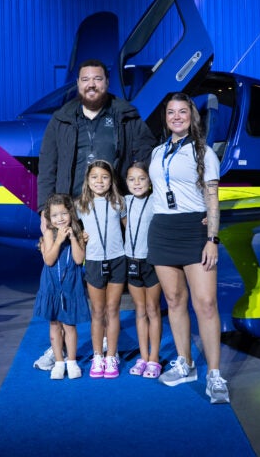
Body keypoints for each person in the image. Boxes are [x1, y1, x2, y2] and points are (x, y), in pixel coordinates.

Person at [33, 58, 156, 372]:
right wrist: (45, 213)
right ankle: (58, 346)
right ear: (78, 84)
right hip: (69, 212)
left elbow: (146, 149)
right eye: (85, 79)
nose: (91, 84)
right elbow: (46, 167)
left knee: (104, 276)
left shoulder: (125, 116)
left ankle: (103, 341)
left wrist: (134, 184)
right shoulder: (60, 120)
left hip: (109, 210)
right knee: (66, 280)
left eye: (97, 79)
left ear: (107, 81)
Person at [147, 92, 229, 404]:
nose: (177, 117)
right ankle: (186, 364)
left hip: (195, 231)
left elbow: (212, 199)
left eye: (183, 111)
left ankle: (215, 375)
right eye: (171, 112)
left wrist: (212, 238)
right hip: (163, 230)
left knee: (206, 304)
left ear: (191, 116)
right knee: (175, 300)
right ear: (165, 117)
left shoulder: (203, 153)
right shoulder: (157, 154)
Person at [77, 159, 127, 378]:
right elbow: (72, 232)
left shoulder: (119, 202)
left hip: (118, 259)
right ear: (87, 181)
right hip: (95, 262)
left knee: (113, 309)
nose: (99, 181)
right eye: (94, 177)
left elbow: (131, 228)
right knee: (98, 311)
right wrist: (80, 237)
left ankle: (111, 355)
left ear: (111, 180)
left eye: (104, 177)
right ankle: (98, 356)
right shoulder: (79, 205)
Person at [32, 193, 90, 380]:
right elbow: (49, 260)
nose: (60, 219)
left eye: (63, 214)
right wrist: (58, 241)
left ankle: (71, 362)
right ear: (49, 217)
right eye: (55, 215)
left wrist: (74, 238)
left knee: (70, 325)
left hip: (71, 284)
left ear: (71, 213)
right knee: (55, 324)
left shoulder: (78, 231)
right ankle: (58, 361)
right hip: (52, 285)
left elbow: (79, 259)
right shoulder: (49, 233)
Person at [122, 161, 162, 378]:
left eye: (142, 178)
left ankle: (154, 359)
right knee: (139, 310)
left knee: (152, 309)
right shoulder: (124, 202)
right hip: (131, 261)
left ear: (150, 181)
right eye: (131, 179)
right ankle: (143, 357)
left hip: (152, 262)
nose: (137, 183)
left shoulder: (157, 201)